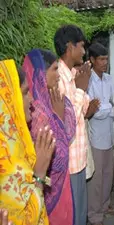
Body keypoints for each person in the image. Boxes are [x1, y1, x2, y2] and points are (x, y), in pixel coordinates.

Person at [23, 49, 76, 225]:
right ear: (39, 73)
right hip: (46, 193)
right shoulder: (35, 112)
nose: (58, 75)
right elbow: (58, 156)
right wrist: (59, 118)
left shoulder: (49, 101)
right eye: (54, 69)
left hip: (59, 187)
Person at [54, 24, 99, 225]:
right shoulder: (57, 78)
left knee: (80, 215)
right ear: (70, 47)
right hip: (69, 163)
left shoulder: (72, 75)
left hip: (79, 161)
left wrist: (82, 87)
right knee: (72, 217)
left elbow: (83, 112)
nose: (84, 51)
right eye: (81, 46)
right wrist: (81, 88)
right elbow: (66, 123)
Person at [0, 60, 55, 224]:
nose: (31, 99)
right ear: (8, 101)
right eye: (24, 93)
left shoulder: (13, 143)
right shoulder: (7, 163)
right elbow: (25, 219)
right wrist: (39, 175)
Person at [87, 42, 114, 225]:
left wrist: (104, 107)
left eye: (106, 59)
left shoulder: (109, 79)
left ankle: (104, 207)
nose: (105, 63)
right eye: (101, 59)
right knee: (96, 180)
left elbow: (113, 106)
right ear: (92, 60)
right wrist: (107, 107)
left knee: (108, 175)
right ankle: (94, 215)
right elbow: (93, 113)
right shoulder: (88, 80)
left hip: (110, 135)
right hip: (95, 137)